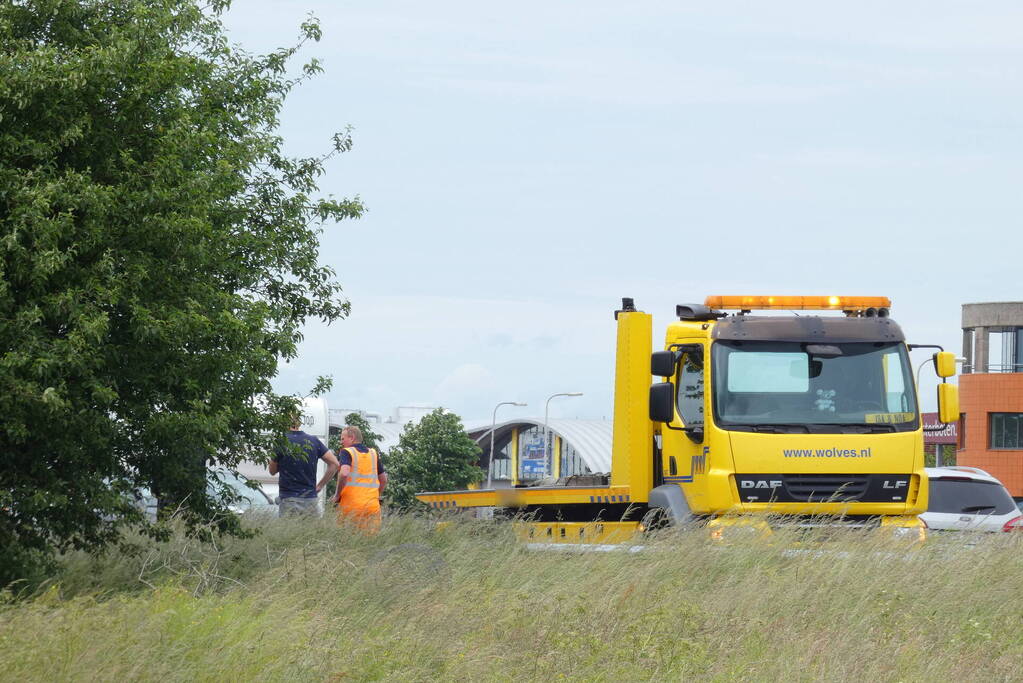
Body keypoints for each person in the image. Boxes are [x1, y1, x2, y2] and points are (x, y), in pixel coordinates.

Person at [269, 414, 340, 517]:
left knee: (289, 532)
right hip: (311, 499)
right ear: (299, 424)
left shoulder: (281, 441)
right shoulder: (313, 441)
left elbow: (272, 471)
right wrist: (320, 485)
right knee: (310, 532)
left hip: (288, 499)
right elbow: (334, 464)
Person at [334, 425, 388, 532]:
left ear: (352, 437)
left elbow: (344, 473)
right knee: (370, 543)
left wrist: (337, 495)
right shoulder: (373, 453)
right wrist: (374, 496)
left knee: (346, 543)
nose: (341, 442)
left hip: (351, 507)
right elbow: (383, 480)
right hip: (372, 507)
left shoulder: (346, 452)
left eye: (342, 439)